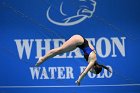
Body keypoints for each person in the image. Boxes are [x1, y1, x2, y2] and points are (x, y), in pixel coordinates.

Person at [35, 35, 111, 86]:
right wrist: (79, 81)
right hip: (78, 40)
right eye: (93, 72)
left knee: (60, 52)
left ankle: (43, 58)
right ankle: (42, 58)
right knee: (60, 50)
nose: (91, 72)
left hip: (79, 42)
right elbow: (85, 72)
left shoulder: (94, 59)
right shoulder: (92, 61)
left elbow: (89, 46)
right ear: (94, 67)